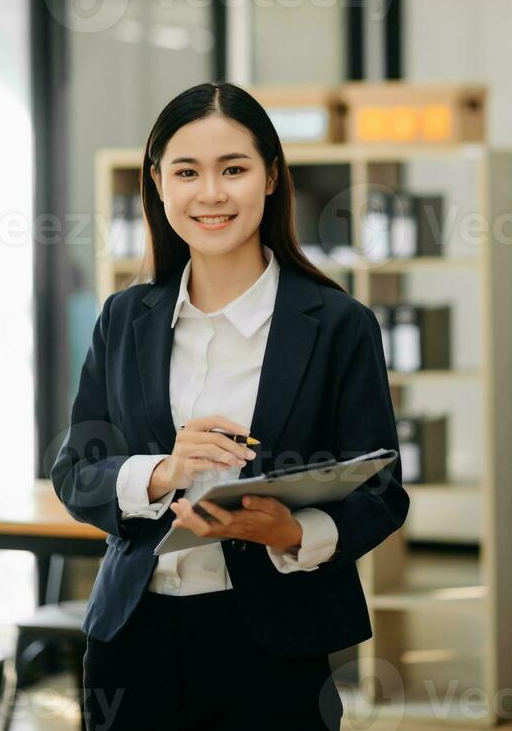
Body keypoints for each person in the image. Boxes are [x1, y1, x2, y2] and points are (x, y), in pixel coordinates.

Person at [50, 81, 410, 731]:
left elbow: (381, 492)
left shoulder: (336, 324)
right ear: (157, 184)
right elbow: (77, 472)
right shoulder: (125, 317)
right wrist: (164, 471)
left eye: (233, 169)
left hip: (276, 638)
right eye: (186, 171)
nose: (210, 193)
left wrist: (294, 533)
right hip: (132, 636)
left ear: (271, 176)